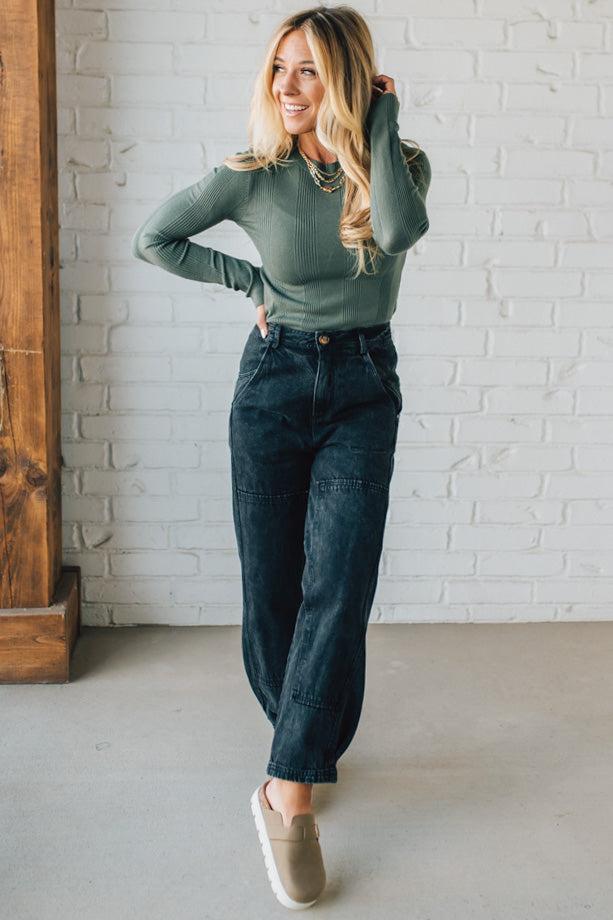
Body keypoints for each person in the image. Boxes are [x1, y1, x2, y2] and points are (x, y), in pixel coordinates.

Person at [132, 4, 431, 908]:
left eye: (307, 71)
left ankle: (288, 789)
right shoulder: (251, 175)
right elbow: (156, 238)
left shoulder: (398, 165)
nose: (286, 88)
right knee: (271, 588)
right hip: (271, 382)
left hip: (363, 387)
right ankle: (299, 740)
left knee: (339, 578)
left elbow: (400, 235)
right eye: (277, 69)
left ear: (345, 78)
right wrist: (248, 281)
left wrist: (378, 121)